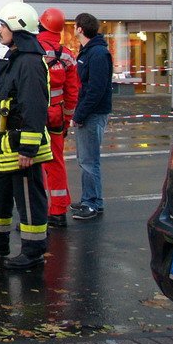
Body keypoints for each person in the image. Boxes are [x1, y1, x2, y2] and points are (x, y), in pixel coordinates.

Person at [0, 2, 53, 270]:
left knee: (28, 199)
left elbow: (34, 107)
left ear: (17, 28)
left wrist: (28, 149)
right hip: (5, 142)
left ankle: (33, 251)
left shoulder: (30, 63)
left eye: (3, 25)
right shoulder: (16, 57)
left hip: (22, 145)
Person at [37, 8, 79, 228]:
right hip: (56, 115)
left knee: (32, 163)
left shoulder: (33, 49)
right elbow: (73, 92)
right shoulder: (67, 55)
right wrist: (66, 120)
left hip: (34, 115)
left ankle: (37, 213)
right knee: (56, 161)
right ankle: (59, 210)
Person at [70, 13, 113, 221]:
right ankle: (91, 198)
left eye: (75, 26)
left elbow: (95, 89)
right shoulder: (90, 51)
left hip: (92, 114)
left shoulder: (96, 53)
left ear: (80, 28)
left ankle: (92, 203)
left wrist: (79, 114)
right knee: (86, 159)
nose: (73, 29)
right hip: (90, 112)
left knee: (89, 160)